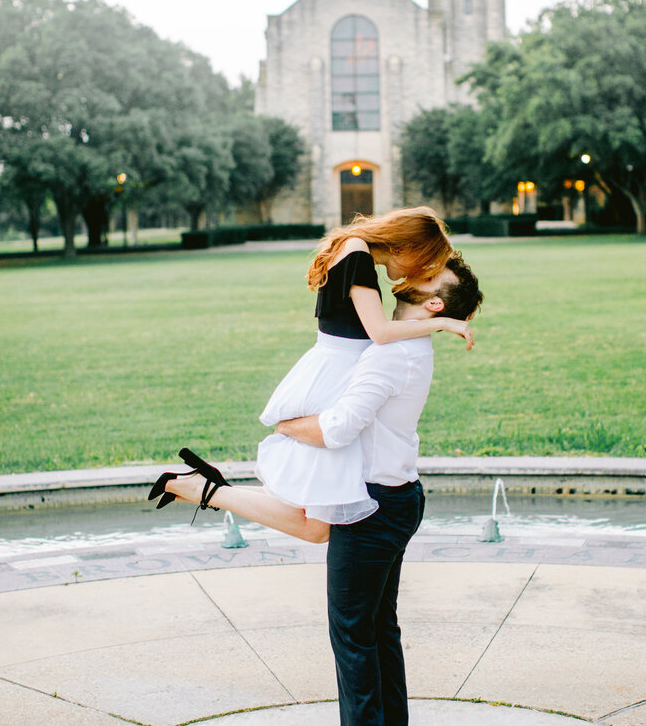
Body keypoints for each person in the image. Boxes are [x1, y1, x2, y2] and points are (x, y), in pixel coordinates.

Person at [277, 254, 484, 726]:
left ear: (434, 302)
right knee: (378, 631)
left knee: (353, 636)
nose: (415, 271)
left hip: (371, 509)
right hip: (395, 499)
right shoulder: (408, 347)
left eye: (430, 275)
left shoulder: (392, 355)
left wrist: (286, 425)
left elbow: (339, 430)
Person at [149, 208, 473, 542]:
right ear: (404, 246)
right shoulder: (357, 253)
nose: (417, 272)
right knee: (317, 524)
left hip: (337, 370)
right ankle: (198, 487)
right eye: (424, 261)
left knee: (316, 519)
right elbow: (378, 331)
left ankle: (199, 486)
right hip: (338, 375)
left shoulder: (354, 248)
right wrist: (442, 322)